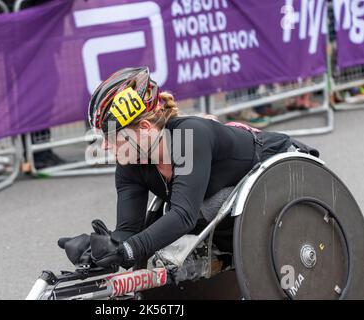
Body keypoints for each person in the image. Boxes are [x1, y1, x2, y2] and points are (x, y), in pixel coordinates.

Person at [58, 67, 319, 270]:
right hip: (228, 205)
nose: (104, 146)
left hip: (285, 172)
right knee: (164, 226)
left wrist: (129, 249)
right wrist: (98, 252)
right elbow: (129, 233)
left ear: (146, 130)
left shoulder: (190, 135)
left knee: (198, 210)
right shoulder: (129, 163)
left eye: (112, 136)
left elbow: (183, 215)